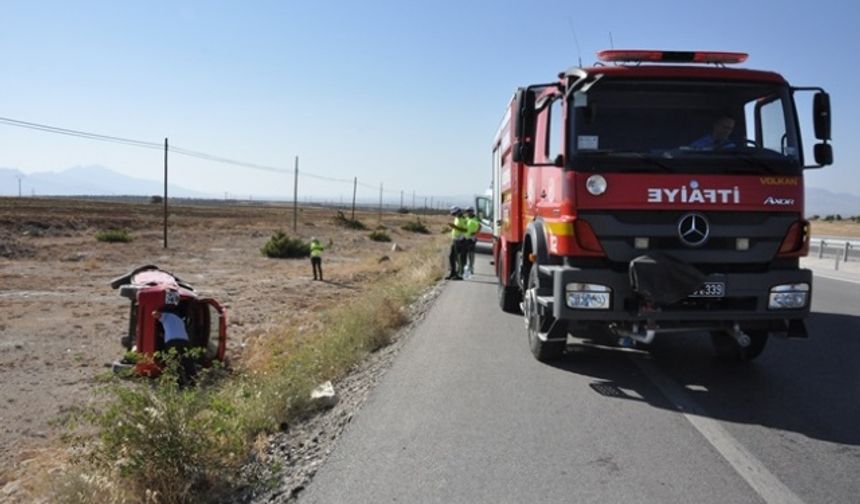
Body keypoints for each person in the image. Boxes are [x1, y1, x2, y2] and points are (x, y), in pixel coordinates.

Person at [152, 305, 195, 386]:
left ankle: (180, 384)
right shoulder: (180, 320)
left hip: (172, 341)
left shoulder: (166, 315)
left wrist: (154, 310)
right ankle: (193, 383)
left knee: (174, 363)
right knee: (188, 362)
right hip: (185, 341)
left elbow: (154, 314)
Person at [446, 206, 468, 280]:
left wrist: (454, 227)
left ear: (459, 211)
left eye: (455, 213)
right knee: (451, 257)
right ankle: (453, 272)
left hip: (461, 240)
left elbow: (465, 230)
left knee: (459, 258)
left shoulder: (463, 219)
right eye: (453, 214)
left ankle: (460, 274)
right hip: (455, 240)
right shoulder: (457, 218)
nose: (454, 215)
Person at [463, 207, 480, 277]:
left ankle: (471, 268)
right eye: (467, 211)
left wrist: (475, 232)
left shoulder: (475, 218)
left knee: (471, 255)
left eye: (469, 211)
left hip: (471, 239)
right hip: (465, 238)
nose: (468, 213)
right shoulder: (466, 218)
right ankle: (465, 269)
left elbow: (479, 226)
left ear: (472, 212)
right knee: (465, 254)